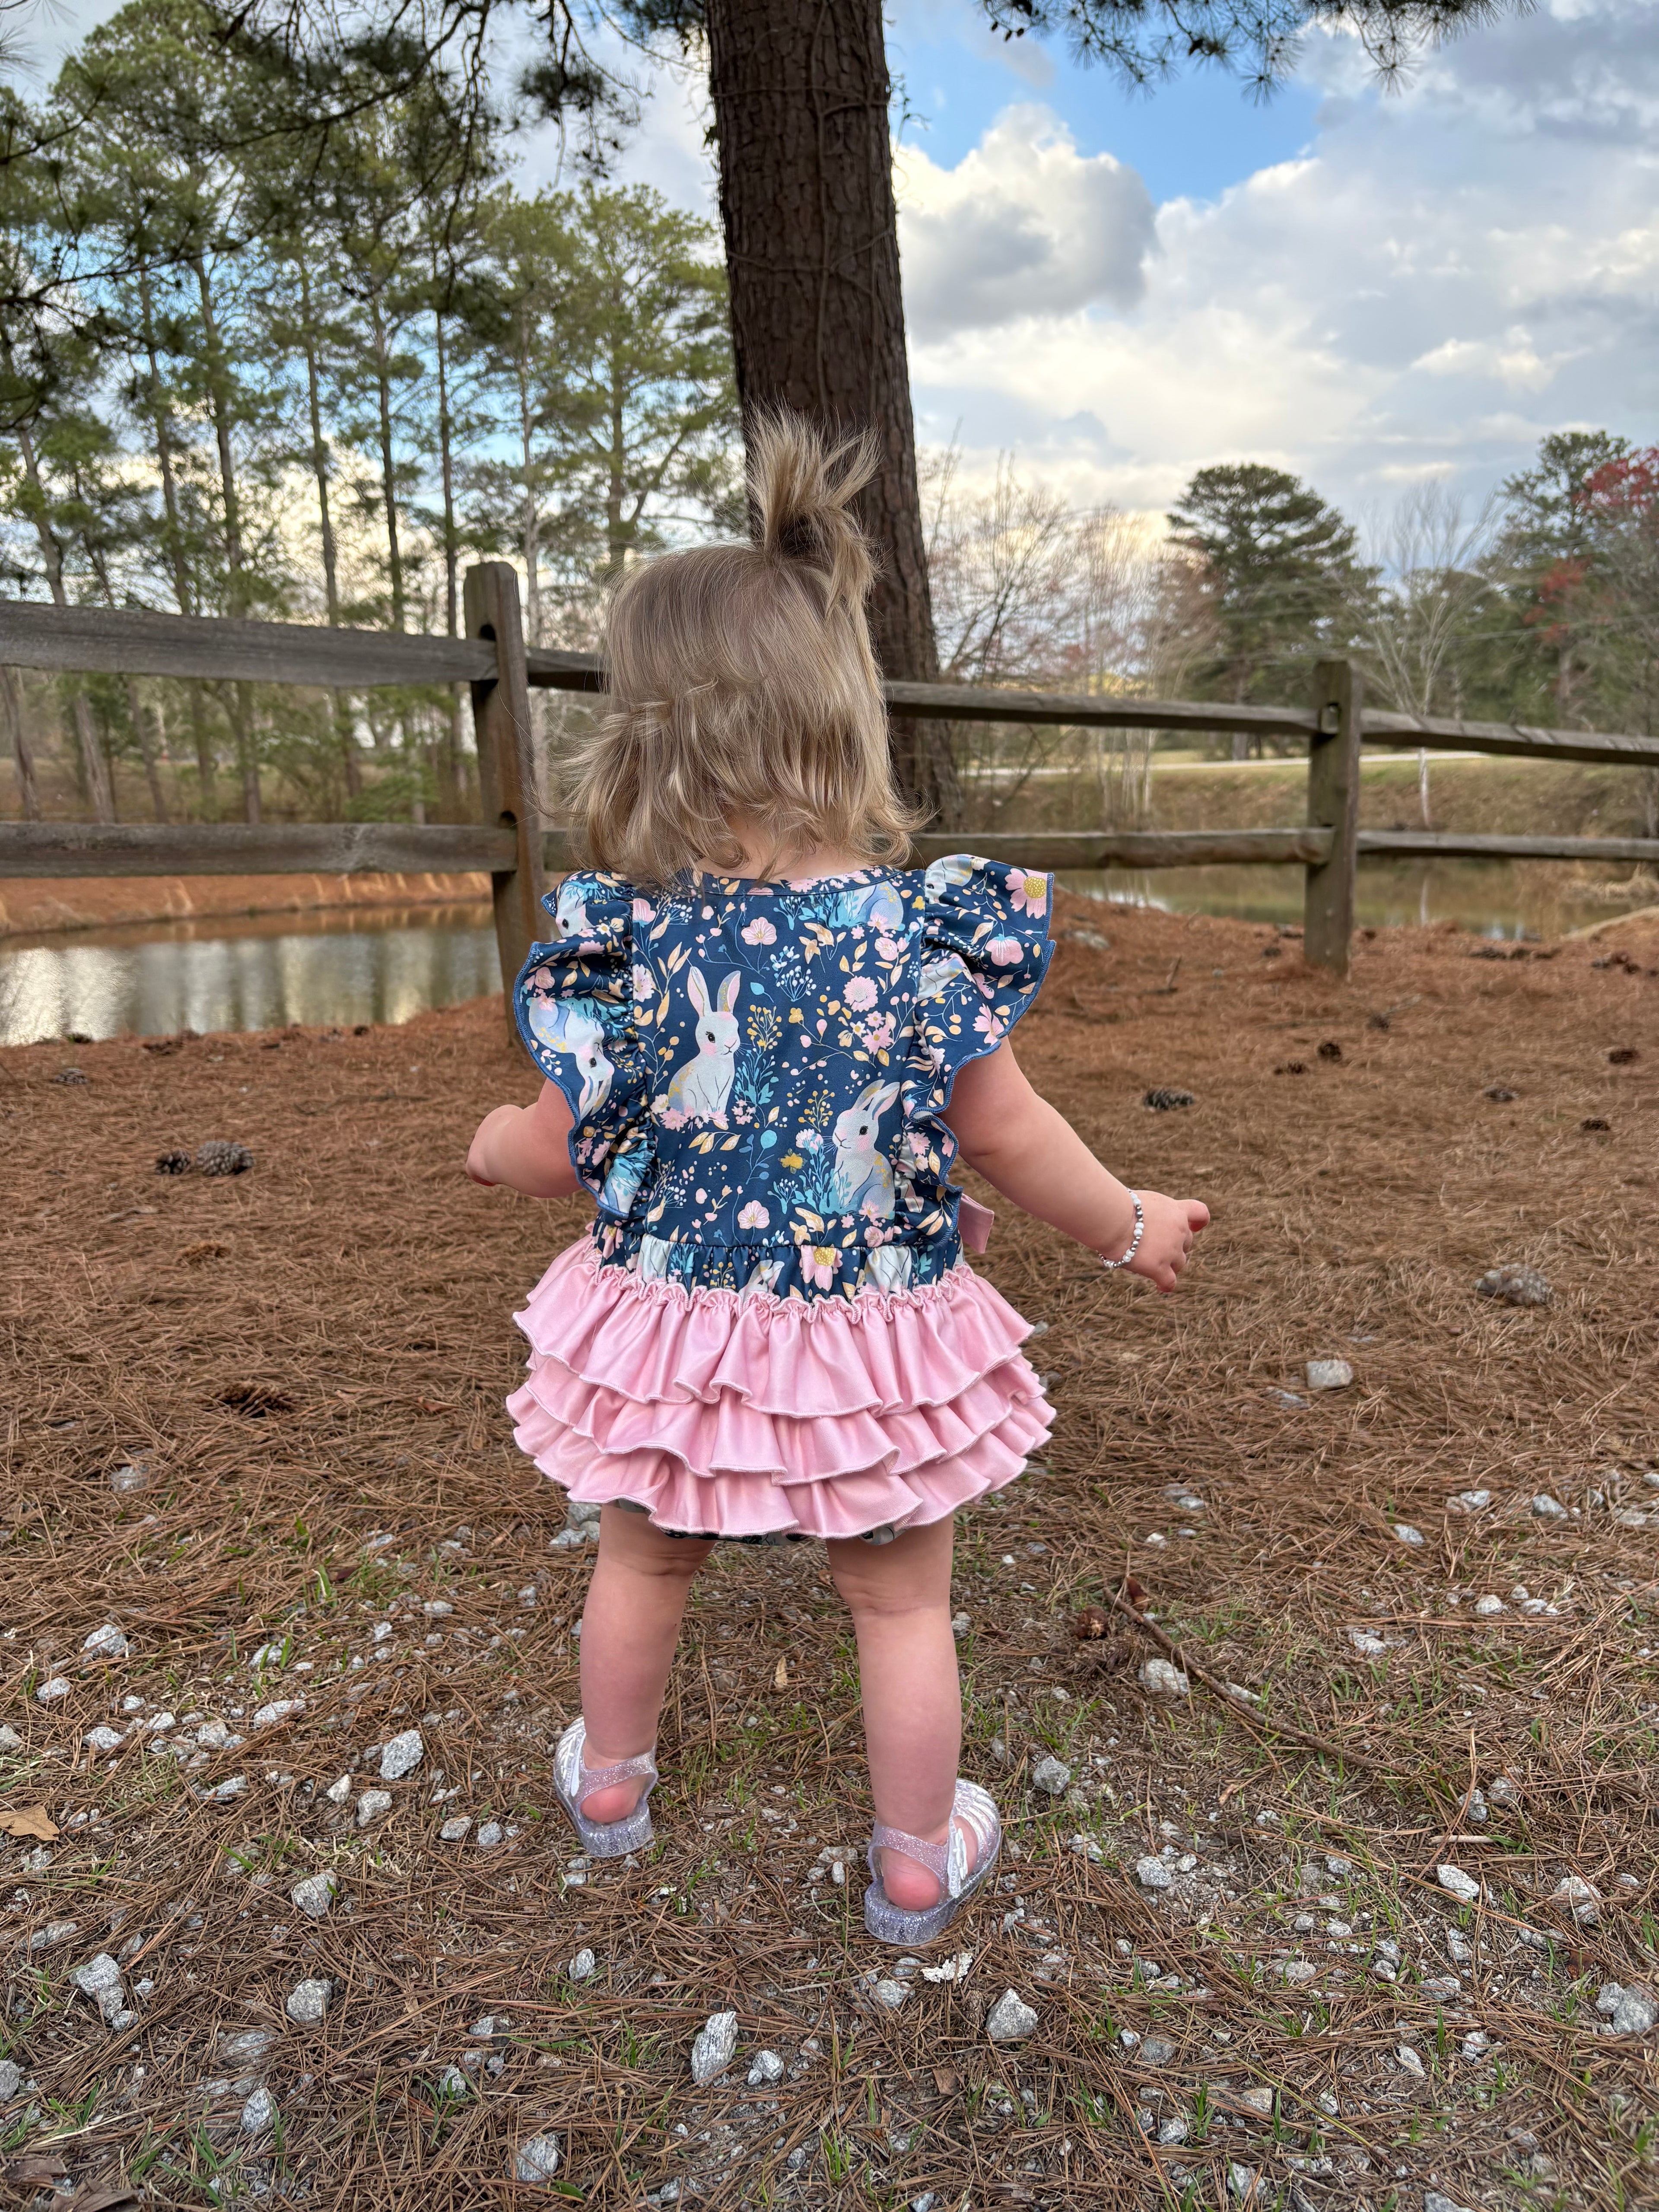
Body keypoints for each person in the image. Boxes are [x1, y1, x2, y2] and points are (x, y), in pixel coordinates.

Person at [466, 413, 1209, 1948]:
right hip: (867, 1336)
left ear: (646, 740)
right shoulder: (915, 941)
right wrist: (1129, 1223)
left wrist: (491, 1143)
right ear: (841, 719)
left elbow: (555, 1145)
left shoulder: (632, 945)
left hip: (674, 1335)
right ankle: (917, 1859)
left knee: (640, 1556)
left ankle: (610, 1786)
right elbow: (1010, 1134)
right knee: (900, 1601)